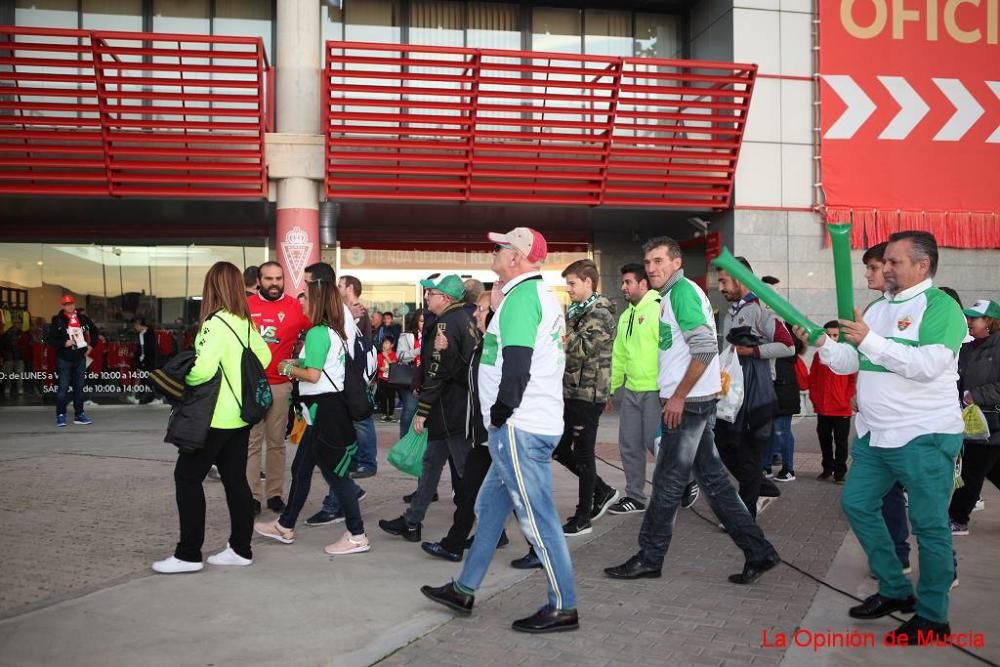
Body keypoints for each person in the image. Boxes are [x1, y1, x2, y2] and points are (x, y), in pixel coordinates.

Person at [794, 230, 965, 643]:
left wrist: (870, 339)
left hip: (924, 434)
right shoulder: (879, 307)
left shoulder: (941, 308)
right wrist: (823, 344)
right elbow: (851, 360)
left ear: (922, 265)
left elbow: (926, 366)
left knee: (929, 527)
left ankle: (933, 617)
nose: (884, 268)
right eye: (883, 261)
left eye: (894, 262)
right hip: (876, 435)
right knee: (856, 504)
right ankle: (894, 589)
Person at [421, 227, 580, 634]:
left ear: (517, 258)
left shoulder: (525, 297)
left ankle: (563, 605)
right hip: (519, 426)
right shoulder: (523, 296)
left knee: (538, 517)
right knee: (490, 509)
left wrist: (501, 413)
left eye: (501, 247)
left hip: (519, 427)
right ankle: (464, 588)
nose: (494, 251)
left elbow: (517, 363)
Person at [604, 236, 780, 587]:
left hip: (688, 404)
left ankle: (649, 557)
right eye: (649, 262)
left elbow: (703, 350)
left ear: (676, 262)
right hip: (693, 401)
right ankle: (758, 551)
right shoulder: (672, 295)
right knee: (714, 483)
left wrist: (678, 397)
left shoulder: (682, 293)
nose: (652, 267)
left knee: (668, 484)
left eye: (658, 261)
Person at [152, 261, 271, 573]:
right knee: (236, 481)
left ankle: (188, 554)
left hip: (215, 418)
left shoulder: (215, 324)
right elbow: (265, 356)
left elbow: (202, 370)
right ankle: (240, 549)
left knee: (187, 478)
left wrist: (184, 380)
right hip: (241, 417)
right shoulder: (245, 321)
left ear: (212, 288)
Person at [254, 263, 370, 556]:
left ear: (316, 301)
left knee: (336, 475)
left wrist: (287, 367)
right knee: (302, 467)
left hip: (325, 411)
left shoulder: (319, 332)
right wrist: (296, 365)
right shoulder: (329, 331)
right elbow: (318, 367)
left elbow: (315, 374)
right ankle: (286, 525)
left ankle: (357, 534)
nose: (300, 300)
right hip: (320, 410)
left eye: (305, 295)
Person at [380, 275, 478, 543]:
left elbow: (436, 372)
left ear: (445, 298)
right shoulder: (463, 320)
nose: (426, 297)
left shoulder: (446, 323)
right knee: (431, 464)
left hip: (449, 410)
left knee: (468, 473)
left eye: (431, 292)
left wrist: (422, 410)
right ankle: (412, 521)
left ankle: (493, 529)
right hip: (453, 408)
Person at [420, 290, 509, 561]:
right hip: (481, 431)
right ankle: (454, 544)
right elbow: (465, 377)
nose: (475, 314)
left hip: (493, 430)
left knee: (517, 493)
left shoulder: (498, 346)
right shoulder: (482, 343)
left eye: (481, 310)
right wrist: (447, 353)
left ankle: (537, 547)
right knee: (470, 488)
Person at [716, 257, 794, 517]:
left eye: (724, 280)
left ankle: (744, 516)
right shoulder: (733, 312)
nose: (721, 286)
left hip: (758, 397)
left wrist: (752, 351)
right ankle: (762, 489)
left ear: (740, 279)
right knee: (725, 445)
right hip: (734, 397)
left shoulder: (761, 309)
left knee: (748, 456)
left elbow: (788, 345)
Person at [552, 259, 619, 536]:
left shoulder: (600, 312)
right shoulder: (578, 311)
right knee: (559, 448)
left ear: (588, 282)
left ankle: (583, 517)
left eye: (572, 283)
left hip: (588, 393)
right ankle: (602, 490)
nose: (568, 289)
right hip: (571, 391)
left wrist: (557, 337)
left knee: (582, 454)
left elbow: (580, 349)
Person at [860, 242, 912, 573]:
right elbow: (863, 360)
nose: (870, 273)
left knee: (926, 505)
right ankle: (894, 556)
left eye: (874, 267)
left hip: (913, 425)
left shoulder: (925, 307)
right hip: (875, 424)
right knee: (881, 496)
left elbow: (922, 365)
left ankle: (944, 568)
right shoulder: (875, 309)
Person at [246, 261, 311, 515]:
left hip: (281, 386)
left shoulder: (295, 307)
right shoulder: (246, 306)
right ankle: (251, 496)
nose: (274, 283)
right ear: (259, 281)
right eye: (268, 278)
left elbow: (318, 333)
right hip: (251, 386)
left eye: (278, 278)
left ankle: (274, 495)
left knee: (276, 444)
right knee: (252, 443)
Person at [949, 299, 1000, 536]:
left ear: (989, 321)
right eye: (967, 317)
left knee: (971, 471)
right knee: (991, 469)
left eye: (974, 318)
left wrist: (976, 395)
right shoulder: (968, 348)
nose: (968, 322)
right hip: (972, 419)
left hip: (992, 421)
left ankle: (958, 519)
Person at [337, 274, 378, 479]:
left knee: (362, 419)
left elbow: (355, 342)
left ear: (350, 287)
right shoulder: (346, 310)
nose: (338, 288)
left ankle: (367, 461)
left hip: (357, 373)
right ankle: (355, 460)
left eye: (341, 285)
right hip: (352, 372)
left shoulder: (358, 311)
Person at [810, 320, 856, 482]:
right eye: (828, 335)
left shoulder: (848, 353)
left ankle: (840, 473)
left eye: (835, 335)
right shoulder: (819, 355)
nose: (832, 338)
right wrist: (815, 399)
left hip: (841, 408)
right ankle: (827, 469)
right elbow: (813, 379)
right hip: (822, 407)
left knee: (841, 442)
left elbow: (853, 380)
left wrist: (847, 398)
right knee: (824, 440)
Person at [47, 294, 99, 427]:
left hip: (79, 358)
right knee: (63, 388)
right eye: (66, 304)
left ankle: (79, 415)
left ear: (74, 304)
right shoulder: (58, 320)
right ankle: (61, 415)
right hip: (64, 359)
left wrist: (91, 345)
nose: (69, 306)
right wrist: (64, 343)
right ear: (63, 306)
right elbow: (51, 339)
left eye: (71, 303)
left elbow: (94, 332)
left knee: (79, 388)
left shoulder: (83, 319)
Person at [768, 322, 802, 482]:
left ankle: (788, 469)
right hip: (775, 394)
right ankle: (766, 466)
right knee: (768, 432)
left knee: (782, 432)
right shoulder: (779, 347)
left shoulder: (788, 347)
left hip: (784, 395)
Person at [395, 308, 424, 436]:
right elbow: (400, 356)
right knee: (410, 409)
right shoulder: (407, 336)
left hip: (426, 377)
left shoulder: (434, 334)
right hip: (410, 376)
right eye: (421, 321)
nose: (424, 324)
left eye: (426, 321)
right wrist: (416, 352)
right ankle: (404, 439)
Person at [131, 317, 157, 404]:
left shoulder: (150, 333)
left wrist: (144, 358)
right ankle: (141, 397)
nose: (134, 328)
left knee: (148, 379)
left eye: (135, 325)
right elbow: (140, 348)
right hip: (142, 360)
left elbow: (151, 349)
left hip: (149, 361)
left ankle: (154, 398)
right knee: (143, 379)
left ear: (138, 324)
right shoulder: (140, 334)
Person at [376, 337, 398, 422]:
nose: (384, 345)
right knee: (383, 397)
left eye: (387, 343)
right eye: (384, 343)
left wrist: (386, 357)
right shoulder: (379, 355)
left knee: (391, 397)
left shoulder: (394, 354)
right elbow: (380, 367)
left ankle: (391, 414)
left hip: (391, 379)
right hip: (382, 379)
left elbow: (393, 366)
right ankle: (384, 414)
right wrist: (383, 367)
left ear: (392, 345)